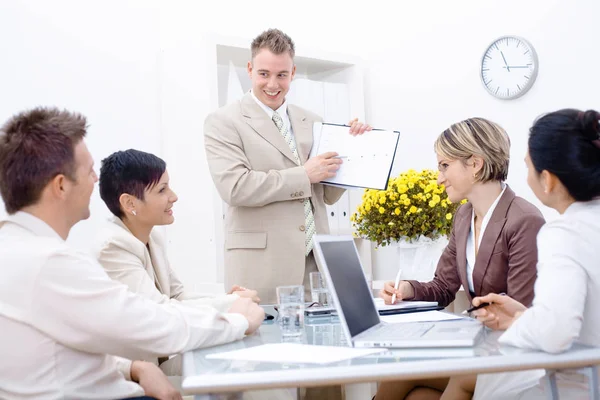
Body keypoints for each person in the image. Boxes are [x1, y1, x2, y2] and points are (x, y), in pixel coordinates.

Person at [0, 107, 264, 400]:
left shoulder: (16, 249)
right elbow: (154, 323)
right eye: (89, 172)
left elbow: (61, 347)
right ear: (61, 185)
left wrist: (132, 369)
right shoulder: (50, 263)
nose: (96, 181)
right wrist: (238, 320)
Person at [375, 117, 545, 400]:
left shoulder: (524, 220)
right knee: (410, 384)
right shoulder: (465, 216)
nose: (439, 177)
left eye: (445, 165)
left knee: (414, 375)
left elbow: (519, 310)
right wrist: (407, 288)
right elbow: (443, 288)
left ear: (475, 164)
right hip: (482, 347)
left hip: (514, 356)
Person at [204, 28, 370, 304]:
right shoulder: (224, 121)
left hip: (316, 264)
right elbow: (235, 188)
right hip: (263, 266)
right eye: (264, 74)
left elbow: (326, 195)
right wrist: (304, 174)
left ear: (293, 72)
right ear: (250, 69)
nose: (273, 84)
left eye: (282, 75)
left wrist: (352, 148)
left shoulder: (312, 121)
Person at [469, 108, 600, 399]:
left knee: (491, 386)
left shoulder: (565, 233)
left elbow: (556, 331)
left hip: (580, 387)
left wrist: (518, 325)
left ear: (548, 180)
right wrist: (527, 316)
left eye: (528, 167)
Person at [94, 148, 261, 376]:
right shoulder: (113, 248)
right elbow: (159, 311)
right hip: (131, 376)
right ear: (130, 203)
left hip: (157, 361)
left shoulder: (151, 237)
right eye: (162, 189)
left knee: (236, 356)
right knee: (234, 359)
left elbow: (177, 296)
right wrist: (232, 308)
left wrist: (229, 301)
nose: (173, 196)